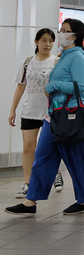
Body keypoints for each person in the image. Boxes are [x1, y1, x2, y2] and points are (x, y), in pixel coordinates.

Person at [5, 19, 84, 216]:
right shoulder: (64, 56)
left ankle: (82, 200)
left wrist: (53, 87)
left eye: (65, 31)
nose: (60, 34)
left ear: (75, 35)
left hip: (68, 117)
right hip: (52, 116)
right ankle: (31, 201)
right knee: (42, 158)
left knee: (74, 159)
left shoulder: (77, 56)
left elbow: (81, 88)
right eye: (61, 30)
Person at [7, 28, 63, 199]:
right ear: (36, 42)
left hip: (50, 112)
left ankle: (56, 174)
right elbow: (21, 86)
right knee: (28, 148)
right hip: (29, 111)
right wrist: (12, 110)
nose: (48, 44)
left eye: (51, 41)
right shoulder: (27, 62)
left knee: (49, 148)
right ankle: (27, 183)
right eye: (44, 40)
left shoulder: (57, 62)